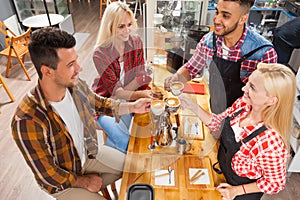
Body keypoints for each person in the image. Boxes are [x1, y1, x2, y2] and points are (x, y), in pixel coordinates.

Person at [11, 27, 151, 200]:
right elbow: (48, 175)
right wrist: (85, 182)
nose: (79, 68)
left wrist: (133, 107)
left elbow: (100, 103)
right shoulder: (27, 119)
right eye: (71, 65)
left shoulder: (74, 86)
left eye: (76, 61)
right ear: (47, 71)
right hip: (63, 183)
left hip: (87, 154)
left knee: (136, 167)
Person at [180, 63, 295, 200]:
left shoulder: (270, 142)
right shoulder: (243, 105)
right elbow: (218, 123)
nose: (243, 88)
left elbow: (275, 183)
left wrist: (236, 191)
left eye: (252, 87)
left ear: (271, 100)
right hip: (221, 172)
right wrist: (192, 106)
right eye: (248, 83)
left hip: (240, 192)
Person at [165, 0, 277, 115]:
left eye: (225, 16)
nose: (216, 20)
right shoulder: (208, 41)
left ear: (243, 19)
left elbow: (266, 99)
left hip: (244, 118)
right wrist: (176, 78)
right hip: (215, 110)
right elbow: (191, 68)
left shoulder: (263, 52)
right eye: (217, 12)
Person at [92, 1, 151, 153]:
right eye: (121, 26)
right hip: (105, 103)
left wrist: (142, 90)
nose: (127, 31)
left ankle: (115, 168)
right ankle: (123, 169)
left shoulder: (136, 42)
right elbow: (116, 93)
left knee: (123, 140)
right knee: (126, 142)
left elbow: (140, 76)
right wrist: (140, 92)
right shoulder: (100, 54)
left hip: (127, 99)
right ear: (110, 27)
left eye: (129, 24)